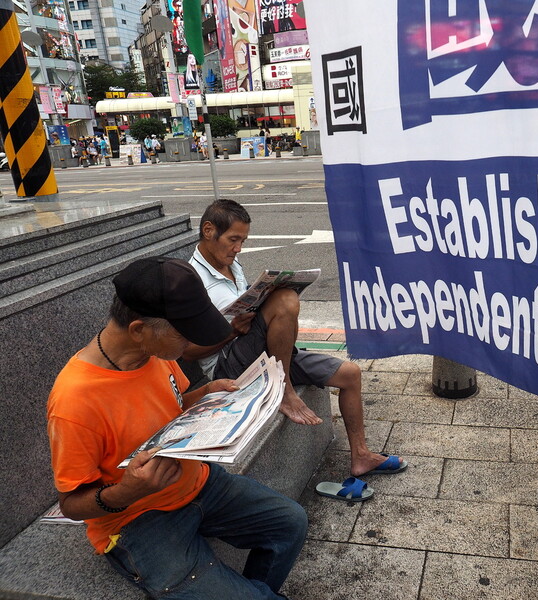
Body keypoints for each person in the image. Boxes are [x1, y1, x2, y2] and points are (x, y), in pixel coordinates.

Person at [47, 257, 306, 599]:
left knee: (290, 523)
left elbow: (177, 402)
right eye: (184, 335)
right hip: (137, 519)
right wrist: (127, 491)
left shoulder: (156, 352)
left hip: (197, 481)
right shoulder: (75, 402)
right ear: (139, 330)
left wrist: (206, 395)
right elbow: (71, 505)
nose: (191, 344)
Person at [184, 199, 408, 478]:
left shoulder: (232, 263)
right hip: (228, 365)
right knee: (285, 300)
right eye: (233, 239)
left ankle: (361, 456)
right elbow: (187, 353)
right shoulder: (189, 281)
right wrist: (231, 331)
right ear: (208, 230)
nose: (238, 248)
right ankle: (284, 389)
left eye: (243, 240)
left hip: (263, 352)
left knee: (350, 374)